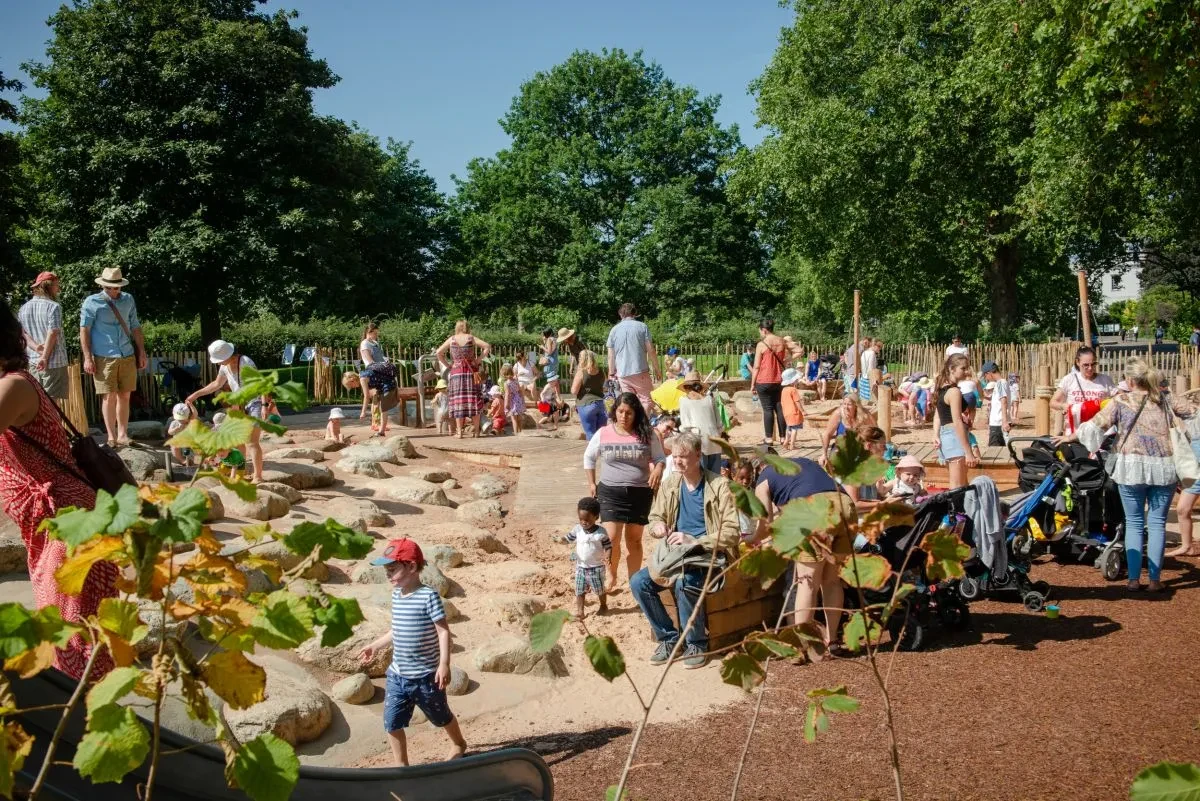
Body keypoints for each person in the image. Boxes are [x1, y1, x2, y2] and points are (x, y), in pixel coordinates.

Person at [0, 304, 117, 680]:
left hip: (69, 526)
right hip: (54, 525)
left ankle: (83, 723)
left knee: (72, 639)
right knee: (70, 634)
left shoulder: (12, 387)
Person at [1055, 358, 1197, 592]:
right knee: (1158, 523)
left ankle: (1133, 580)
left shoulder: (1120, 401)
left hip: (1130, 468)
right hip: (1164, 468)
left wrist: (1071, 437)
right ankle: (1154, 580)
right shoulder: (1165, 398)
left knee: (1133, 523)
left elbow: (1093, 427)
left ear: (1130, 380)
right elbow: (1193, 412)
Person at [631, 431, 739, 669]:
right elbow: (655, 516)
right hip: (676, 554)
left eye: (683, 456)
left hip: (707, 554)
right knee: (638, 582)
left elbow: (732, 531)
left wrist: (696, 540)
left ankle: (697, 643)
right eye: (675, 456)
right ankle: (669, 638)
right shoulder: (671, 484)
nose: (677, 461)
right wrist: (658, 526)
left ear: (698, 455)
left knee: (685, 583)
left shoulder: (719, 486)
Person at [357, 538, 467, 766]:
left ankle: (458, 743)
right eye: (386, 570)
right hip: (398, 675)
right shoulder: (397, 595)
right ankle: (402, 766)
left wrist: (444, 664)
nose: (388, 575)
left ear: (412, 567)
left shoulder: (428, 597)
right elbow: (396, 630)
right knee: (392, 722)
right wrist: (375, 646)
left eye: (392, 569)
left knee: (441, 716)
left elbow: (443, 632)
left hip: (426, 677)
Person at [753, 455, 853, 649]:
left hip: (814, 510)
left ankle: (802, 646)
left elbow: (764, 525)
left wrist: (750, 538)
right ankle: (832, 640)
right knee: (832, 581)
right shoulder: (804, 463)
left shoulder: (764, 476)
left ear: (760, 468)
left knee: (807, 582)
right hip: (845, 506)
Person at [584, 392, 665, 592]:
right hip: (610, 492)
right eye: (620, 411)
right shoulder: (603, 433)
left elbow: (660, 458)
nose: (624, 416)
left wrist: (657, 468)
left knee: (634, 539)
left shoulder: (648, 434)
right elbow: (589, 457)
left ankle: (634, 582)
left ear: (636, 413)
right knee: (611, 539)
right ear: (615, 411)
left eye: (629, 413)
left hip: (639, 493)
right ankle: (611, 577)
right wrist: (592, 483)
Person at [80, 266, 146, 448]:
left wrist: (142, 351)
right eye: (109, 286)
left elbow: (136, 327)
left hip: (127, 353)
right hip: (103, 355)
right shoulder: (92, 302)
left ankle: (123, 434)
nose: (113, 290)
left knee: (125, 395)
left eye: (116, 286)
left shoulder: (128, 300)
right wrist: (87, 357)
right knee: (109, 397)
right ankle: (111, 436)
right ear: (103, 285)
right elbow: (84, 330)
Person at [187, 340, 267, 483]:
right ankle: (240, 474)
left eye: (219, 360)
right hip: (238, 405)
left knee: (251, 441)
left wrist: (265, 405)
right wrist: (196, 394)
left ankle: (258, 476)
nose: (217, 363)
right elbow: (217, 384)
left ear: (228, 355)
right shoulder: (224, 367)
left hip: (254, 403)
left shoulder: (245, 362)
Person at [436, 321, 492, 439]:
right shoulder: (471, 338)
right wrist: (478, 360)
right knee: (474, 401)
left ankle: (460, 432)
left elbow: (438, 353)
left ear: (456, 328)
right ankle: (477, 432)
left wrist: (449, 365)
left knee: (458, 403)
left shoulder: (451, 339)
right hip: (471, 372)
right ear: (467, 327)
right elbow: (487, 346)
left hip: (456, 373)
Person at [18, 271, 69, 401]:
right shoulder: (54, 307)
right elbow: (53, 332)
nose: (58, 289)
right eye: (57, 285)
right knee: (53, 405)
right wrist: (45, 357)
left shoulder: (23, 308)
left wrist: (37, 349)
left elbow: (23, 333)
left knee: (38, 402)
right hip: (53, 362)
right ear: (49, 286)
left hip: (34, 362)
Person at [933, 354, 979, 488]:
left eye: (967, 368)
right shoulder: (954, 392)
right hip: (954, 438)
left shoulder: (942, 389)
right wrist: (969, 452)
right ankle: (955, 510)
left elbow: (938, 415)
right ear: (952, 369)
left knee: (961, 485)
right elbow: (957, 422)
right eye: (963, 368)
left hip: (945, 436)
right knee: (958, 487)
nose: (967, 372)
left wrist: (935, 435)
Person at [562, 496, 611, 619]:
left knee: (599, 589)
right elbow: (569, 538)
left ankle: (603, 605)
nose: (583, 522)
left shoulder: (601, 533)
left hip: (596, 567)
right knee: (579, 590)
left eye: (587, 520)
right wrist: (560, 539)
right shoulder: (578, 529)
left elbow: (608, 546)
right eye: (580, 519)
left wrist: (608, 556)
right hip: (580, 567)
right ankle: (580, 612)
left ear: (596, 517)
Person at [1050, 346, 1117, 434]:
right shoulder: (1069, 379)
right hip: (1074, 432)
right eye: (1086, 365)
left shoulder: (1105, 380)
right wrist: (1064, 406)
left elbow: (1118, 399)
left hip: (1099, 433)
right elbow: (1053, 402)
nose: (1090, 368)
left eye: (1093, 364)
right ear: (1078, 362)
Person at [606, 303, 659, 407]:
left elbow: (611, 356)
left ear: (620, 314)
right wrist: (657, 369)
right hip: (640, 370)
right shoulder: (642, 327)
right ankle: (644, 422)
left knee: (629, 403)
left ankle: (633, 423)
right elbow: (651, 350)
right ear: (634, 313)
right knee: (646, 400)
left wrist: (611, 373)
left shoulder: (614, 330)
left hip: (622, 373)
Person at [676, 370, 723, 473]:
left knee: (700, 476)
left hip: (698, 442)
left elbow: (685, 426)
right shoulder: (709, 399)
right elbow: (719, 425)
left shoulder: (683, 401)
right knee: (715, 476)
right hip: (715, 440)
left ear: (686, 387)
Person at [751, 318, 788, 446]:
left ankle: (768, 439)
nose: (760, 333)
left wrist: (752, 384)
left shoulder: (761, 344)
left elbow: (756, 366)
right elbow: (795, 352)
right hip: (779, 380)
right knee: (780, 408)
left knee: (767, 409)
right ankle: (783, 438)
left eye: (760, 331)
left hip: (764, 380)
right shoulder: (782, 341)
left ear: (764, 330)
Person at [819, 395, 874, 468]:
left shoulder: (864, 415)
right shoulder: (838, 414)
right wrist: (824, 454)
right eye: (844, 404)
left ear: (856, 406)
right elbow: (827, 434)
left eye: (849, 404)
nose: (846, 407)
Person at [572, 349, 608, 441]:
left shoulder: (581, 373)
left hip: (586, 405)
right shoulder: (601, 372)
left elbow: (574, 391)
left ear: (582, 359)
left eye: (580, 357)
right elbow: (605, 388)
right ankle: (602, 454)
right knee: (601, 434)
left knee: (590, 434)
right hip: (601, 405)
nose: (578, 359)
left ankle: (592, 455)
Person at [982, 361, 1011, 446]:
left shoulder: (1000, 383)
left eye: (985, 375)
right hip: (998, 423)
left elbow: (1003, 401)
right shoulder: (1000, 383)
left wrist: (1004, 421)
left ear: (989, 373)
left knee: (994, 451)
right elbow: (998, 400)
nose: (986, 378)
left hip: (998, 423)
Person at [780, 367, 805, 450]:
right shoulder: (793, 390)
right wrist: (803, 411)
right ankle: (792, 445)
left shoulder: (784, 390)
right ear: (793, 380)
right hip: (794, 412)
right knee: (794, 429)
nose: (797, 381)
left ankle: (786, 441)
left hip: (786, 413)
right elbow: (797, 401)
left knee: (789, 428)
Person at [498, 364, 525, 434]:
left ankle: (516, 433)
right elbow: (519, 390)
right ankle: (520, 431)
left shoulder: (506, 383)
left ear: (504, 373)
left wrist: (506, 404)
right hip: (518, 399)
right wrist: (522, 400)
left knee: (514, 418)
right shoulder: (516, 380)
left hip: (512, 401)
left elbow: (507, 394)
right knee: (519, 417)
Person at [168, 402, 196, 467]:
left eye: (183, 419)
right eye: (179, 419)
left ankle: (197, 463)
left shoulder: (190, 421)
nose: (181, 420)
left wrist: (191, 405)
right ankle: (182, 460)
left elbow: (195, 413)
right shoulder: (174, 423)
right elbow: (169, 432)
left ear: (188, 416)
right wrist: (176, 429)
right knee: (174, 446)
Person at [539, 327, 560, 393]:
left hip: (550, 361)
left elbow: (549, 351)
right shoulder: (555, 339)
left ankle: (543, 393)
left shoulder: (549, 339)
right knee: (555, 380)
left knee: (551, 380)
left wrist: (542, 347)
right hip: (555, 360)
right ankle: (557, 397)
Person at [859, 338, 879, 403]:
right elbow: (871, 369)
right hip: (869, 380)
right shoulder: (872, 353)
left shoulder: (864, 352)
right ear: (875, 346)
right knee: (870, 402)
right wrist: (874, 380)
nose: (879, 350)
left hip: (863, 378)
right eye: (879, 347)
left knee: (863, 400)